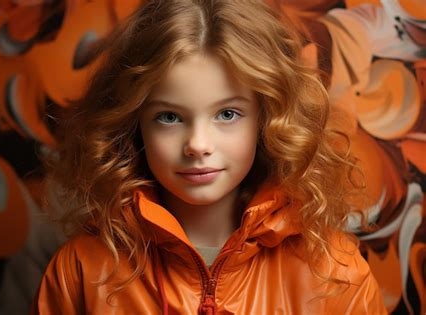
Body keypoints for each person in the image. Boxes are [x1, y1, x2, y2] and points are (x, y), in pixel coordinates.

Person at [31, 0, 387, 314]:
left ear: (268, 119)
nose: (198, 144)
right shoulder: (81, 271)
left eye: (227, 114)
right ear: (133, 124)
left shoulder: (336, 274)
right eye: (169, 117)